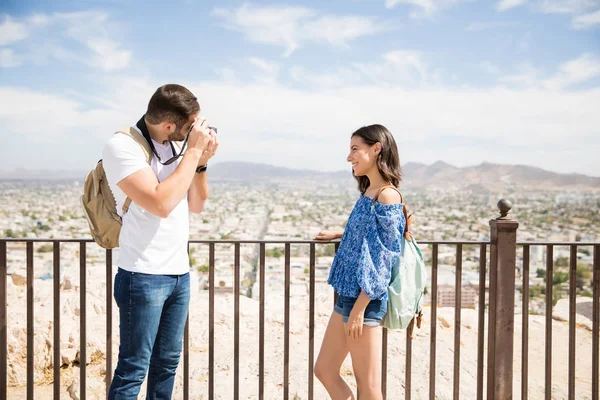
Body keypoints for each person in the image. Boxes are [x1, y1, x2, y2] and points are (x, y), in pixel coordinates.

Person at [102, 84, 218, 399]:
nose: (194, 132)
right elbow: (161, 204)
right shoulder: (123, 146)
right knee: (133, 369)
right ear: (168, 125)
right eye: (189, 126)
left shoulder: (173, 146)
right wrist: (193, 151)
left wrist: (201, 162)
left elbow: (196, 204)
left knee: (166, 365)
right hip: (142, 275)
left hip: (178, 273)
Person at [313, 124, 408, 400]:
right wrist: (341, 233)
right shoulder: (369, 191)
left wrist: (359, 309)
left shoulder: (387, 195)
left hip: (364, 302)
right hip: (348, 296)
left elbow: (385, 258)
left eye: (355, 149)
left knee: (368, 387)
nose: (349, 157)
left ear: (376, 148)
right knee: (324, 369)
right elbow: (371, 236)